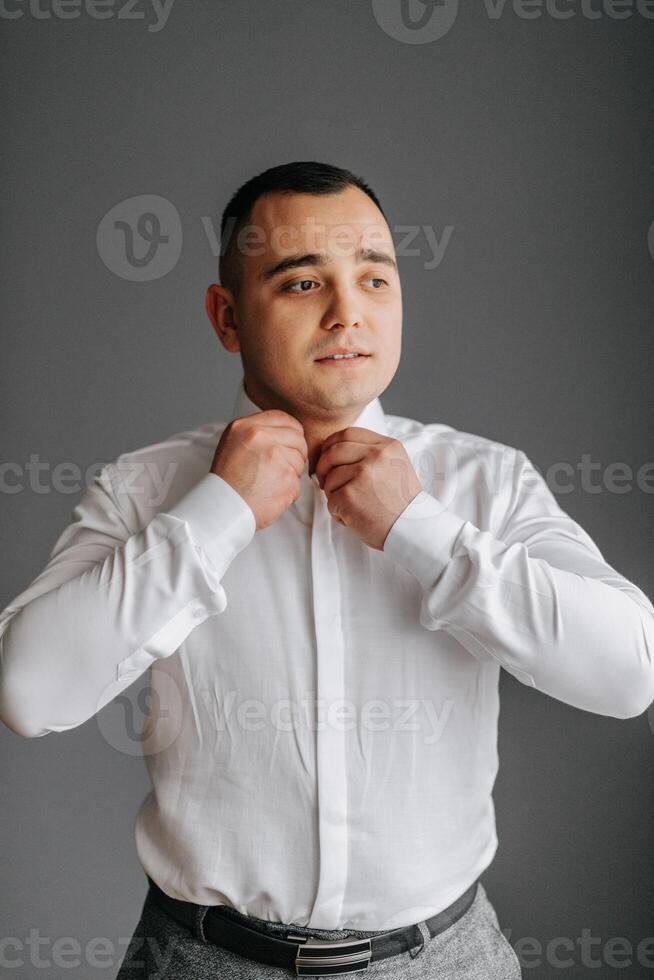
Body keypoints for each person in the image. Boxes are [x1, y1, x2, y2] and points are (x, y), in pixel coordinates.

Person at [1, 161, 652, 980]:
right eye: (304, 281)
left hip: (447, 961)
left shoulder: (487, 481)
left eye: (374, 277)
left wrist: (422, 530)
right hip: (200, 959)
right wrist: (216, 515)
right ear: (227, 316)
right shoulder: (147, 488)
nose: (350, 312)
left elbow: (630, 670)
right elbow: (29, 691)